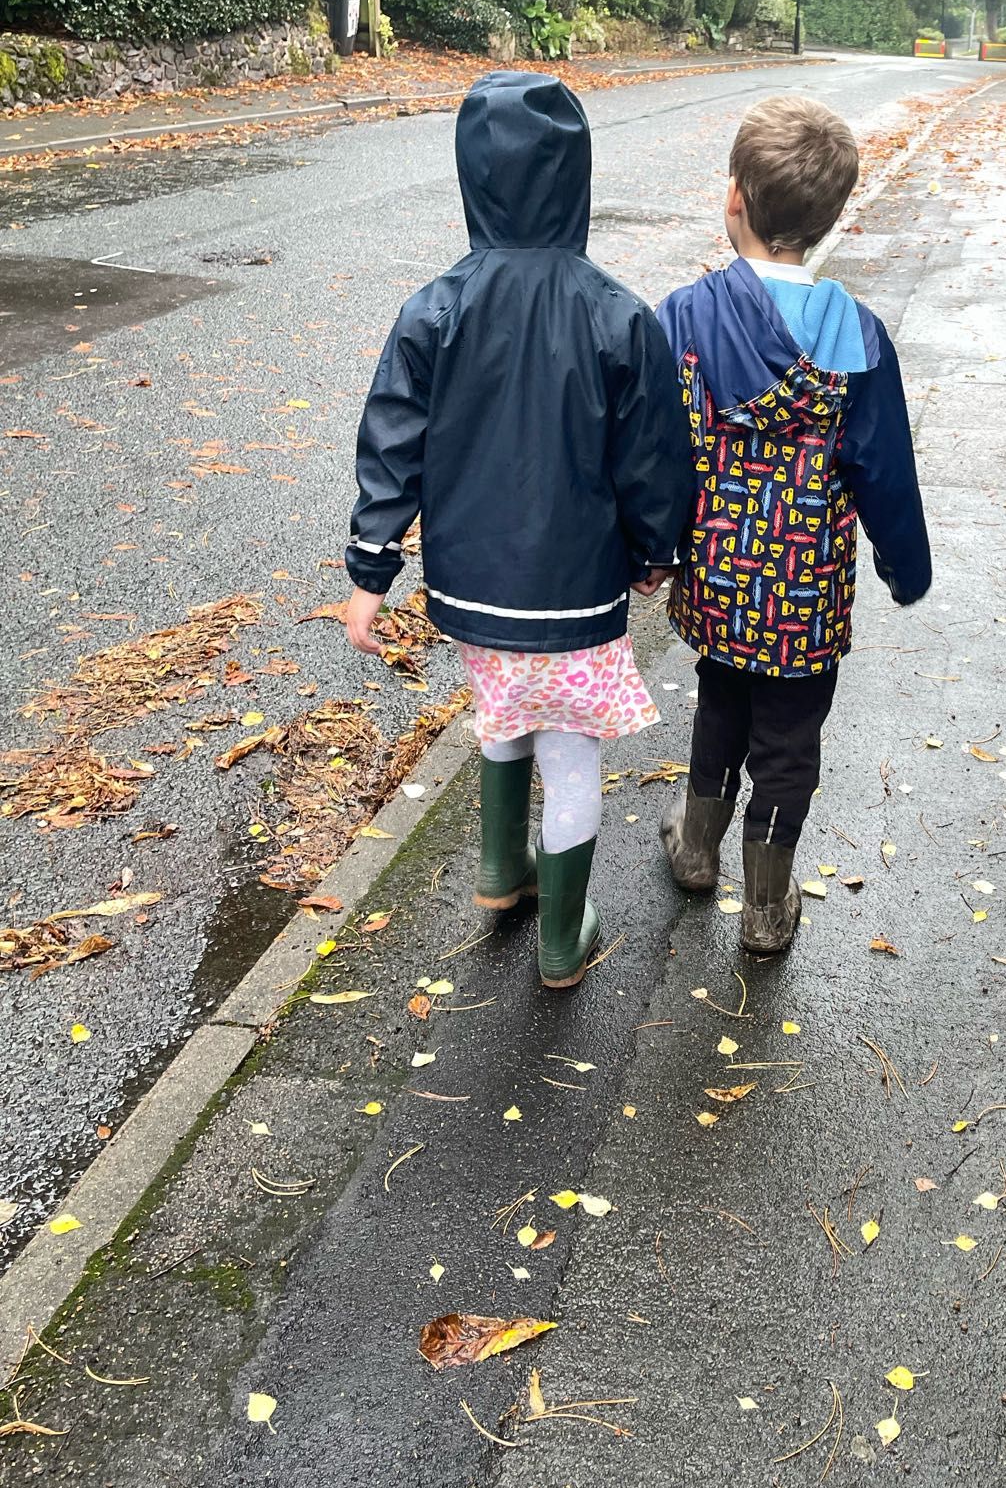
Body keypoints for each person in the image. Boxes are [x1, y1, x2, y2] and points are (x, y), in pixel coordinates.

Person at [344, 71, 692, 988]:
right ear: (576, 174)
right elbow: (652, 454)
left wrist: (368, 572)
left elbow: (392, 442)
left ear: (473, 178)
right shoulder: (619, 314)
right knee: (570, 754)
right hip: (574, 590)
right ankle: (561, 939)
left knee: (501, 710)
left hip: (470, 586)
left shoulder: (436, 307)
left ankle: (502, 874)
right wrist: (657, 550)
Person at [656, 93, 931, 955]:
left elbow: (654, 451)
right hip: (804, 597)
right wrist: (905, 567)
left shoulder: (685, 317)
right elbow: (883, 468)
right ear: (830, 214)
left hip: (718, 584)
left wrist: (648, 549)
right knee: (788, 740)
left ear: (734, 196)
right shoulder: (859, 338)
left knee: (719, 702)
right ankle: (768, 908)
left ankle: (696, 849)